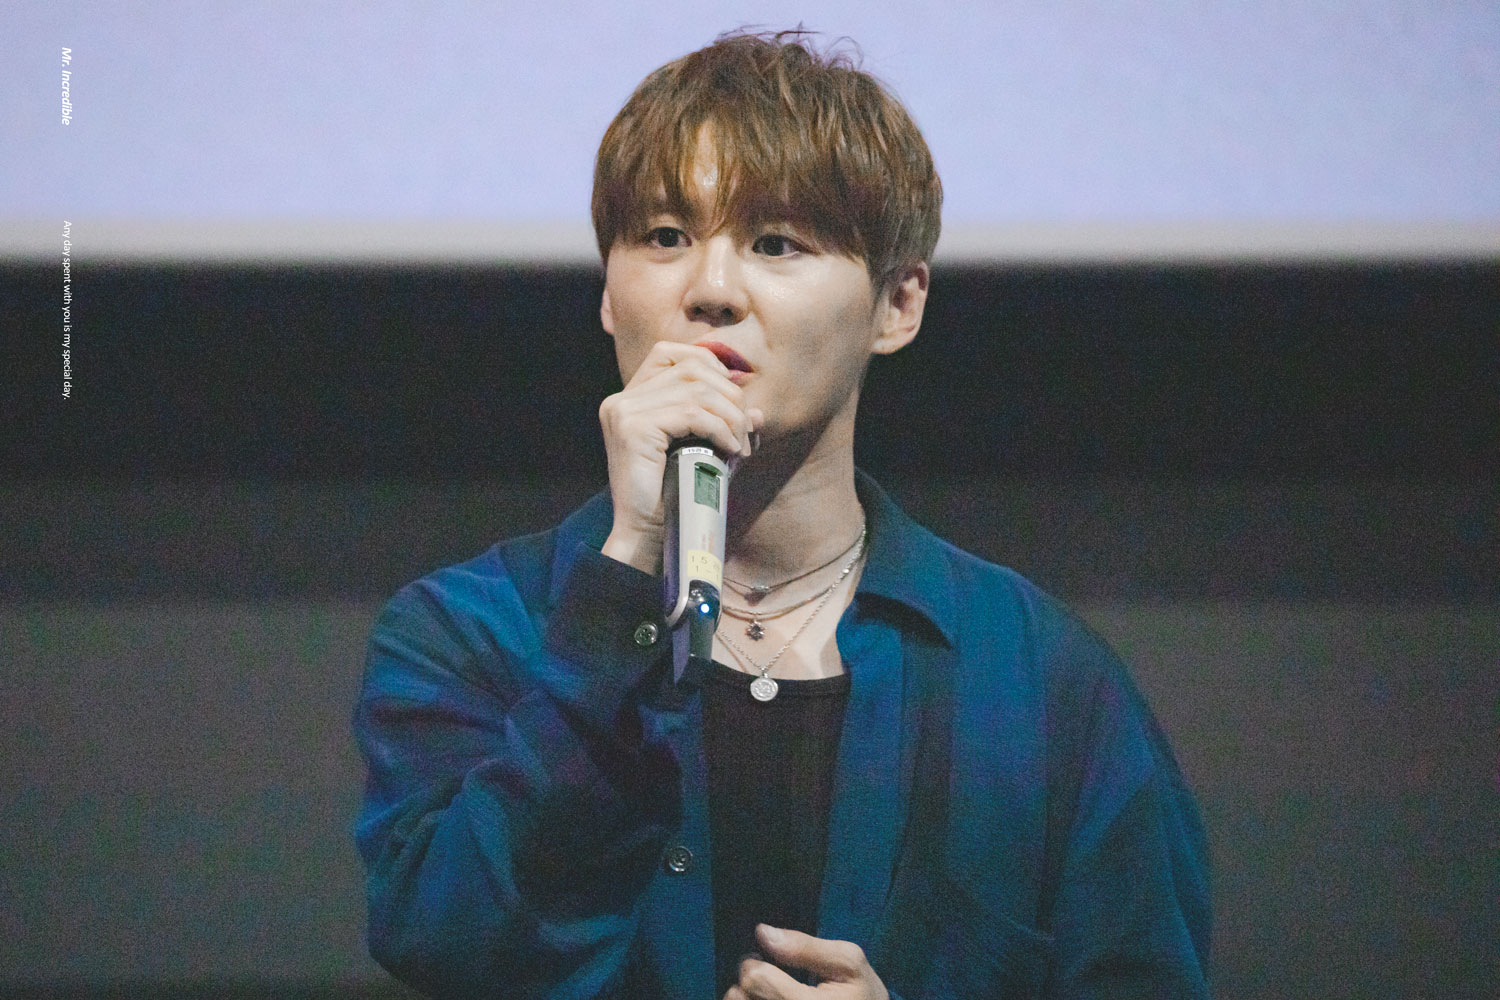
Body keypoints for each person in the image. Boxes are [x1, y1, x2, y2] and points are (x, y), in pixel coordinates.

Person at [352, 27, 1211, 1000]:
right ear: (608, 296)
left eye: (776, 244)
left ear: (897, 304)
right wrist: (629, 567)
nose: (711, 291)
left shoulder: (1042, 680)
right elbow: (453, 948)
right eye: (665, 238)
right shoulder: (470, 634)